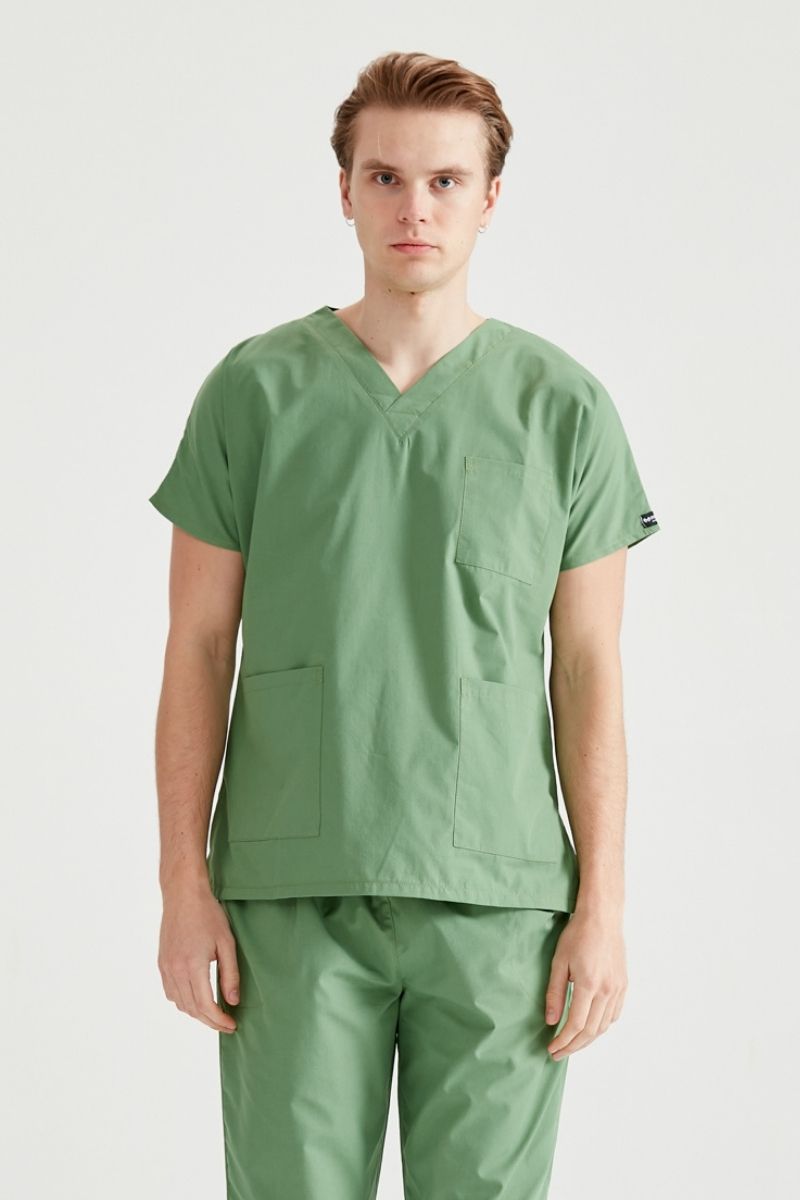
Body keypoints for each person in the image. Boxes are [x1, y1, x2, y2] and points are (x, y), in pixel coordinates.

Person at [149, 50, 661, 1200]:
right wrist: (183, 885)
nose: (412, 208)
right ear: (343, 190)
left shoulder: (563, 410)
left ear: (489, 197)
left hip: (500, 900)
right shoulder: (253, 394)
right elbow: (196, 649)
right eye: (383, 177)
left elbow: (588, 669)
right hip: (289, 892)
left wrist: (601, 908)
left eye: (443, 181)